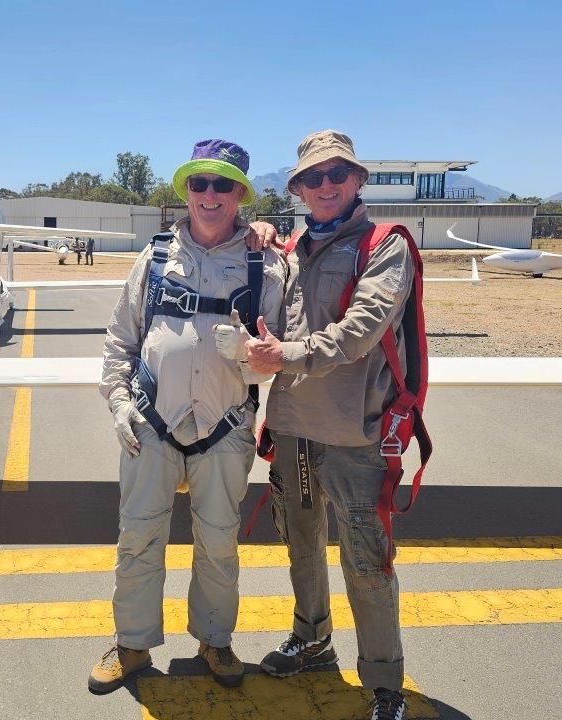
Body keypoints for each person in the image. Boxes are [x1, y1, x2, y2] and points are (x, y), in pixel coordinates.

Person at [220, 130, 416, 720]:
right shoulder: (293, 250)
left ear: (357, 181)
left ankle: (384, 682)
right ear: (299, 190)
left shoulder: (385, 246)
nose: (325, 185)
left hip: (354, 435)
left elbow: (361, 330)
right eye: (312, 177)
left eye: (337, 174)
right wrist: (253, 232)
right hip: (294, 430)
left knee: (366, 560)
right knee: (301, 543)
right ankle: (312, 639)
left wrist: (287, 356)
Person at [90, 139, 285, 694]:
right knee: (137, 539)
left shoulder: (266, 264)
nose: (210, 194)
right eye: (200, 183)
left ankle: (215, 639)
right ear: (188, 192)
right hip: (150, 424)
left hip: (225, 427)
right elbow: (120, 341)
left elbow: (279, 355)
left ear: (240, 194)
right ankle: (132, 644)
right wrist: (119, 403)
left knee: (219, 543)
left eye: (223, 184)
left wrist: (249, 356)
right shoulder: (153, 258)